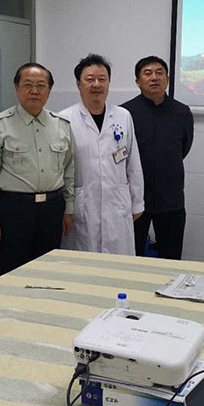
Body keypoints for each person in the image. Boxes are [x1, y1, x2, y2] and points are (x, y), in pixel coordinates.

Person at [0, 63, 74, 275]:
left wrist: (69, 209)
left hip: (52, 210)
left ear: (49, 90)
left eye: (41, 85)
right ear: (17, 88)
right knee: (11, 272)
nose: (34, 91)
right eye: (27, 85)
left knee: (49, 273)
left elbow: (68, 172)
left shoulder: (63, 125)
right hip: (13, 211)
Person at [61, 54, 144, 255]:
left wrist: (137, 202)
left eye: (102, 79)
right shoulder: (64, 119)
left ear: (109, 83)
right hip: (83, 207)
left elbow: (133, 163)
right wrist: (66, 209)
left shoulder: (123, 116)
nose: (96, 84)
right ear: (78, 84)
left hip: (117, 205)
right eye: (90, 79)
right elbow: (61, 169)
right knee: (84, 263)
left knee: (118, 263)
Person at [121, 56, 194, 260]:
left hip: (171, 198)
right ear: (138, 81)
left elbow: (184, 147)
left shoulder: (182, 112)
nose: (154, 78)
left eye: (159, 73)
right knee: (130, 256)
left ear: (168, 79)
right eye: (147, 73)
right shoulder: (125, 113)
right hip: (134, 198)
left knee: (171, 258)